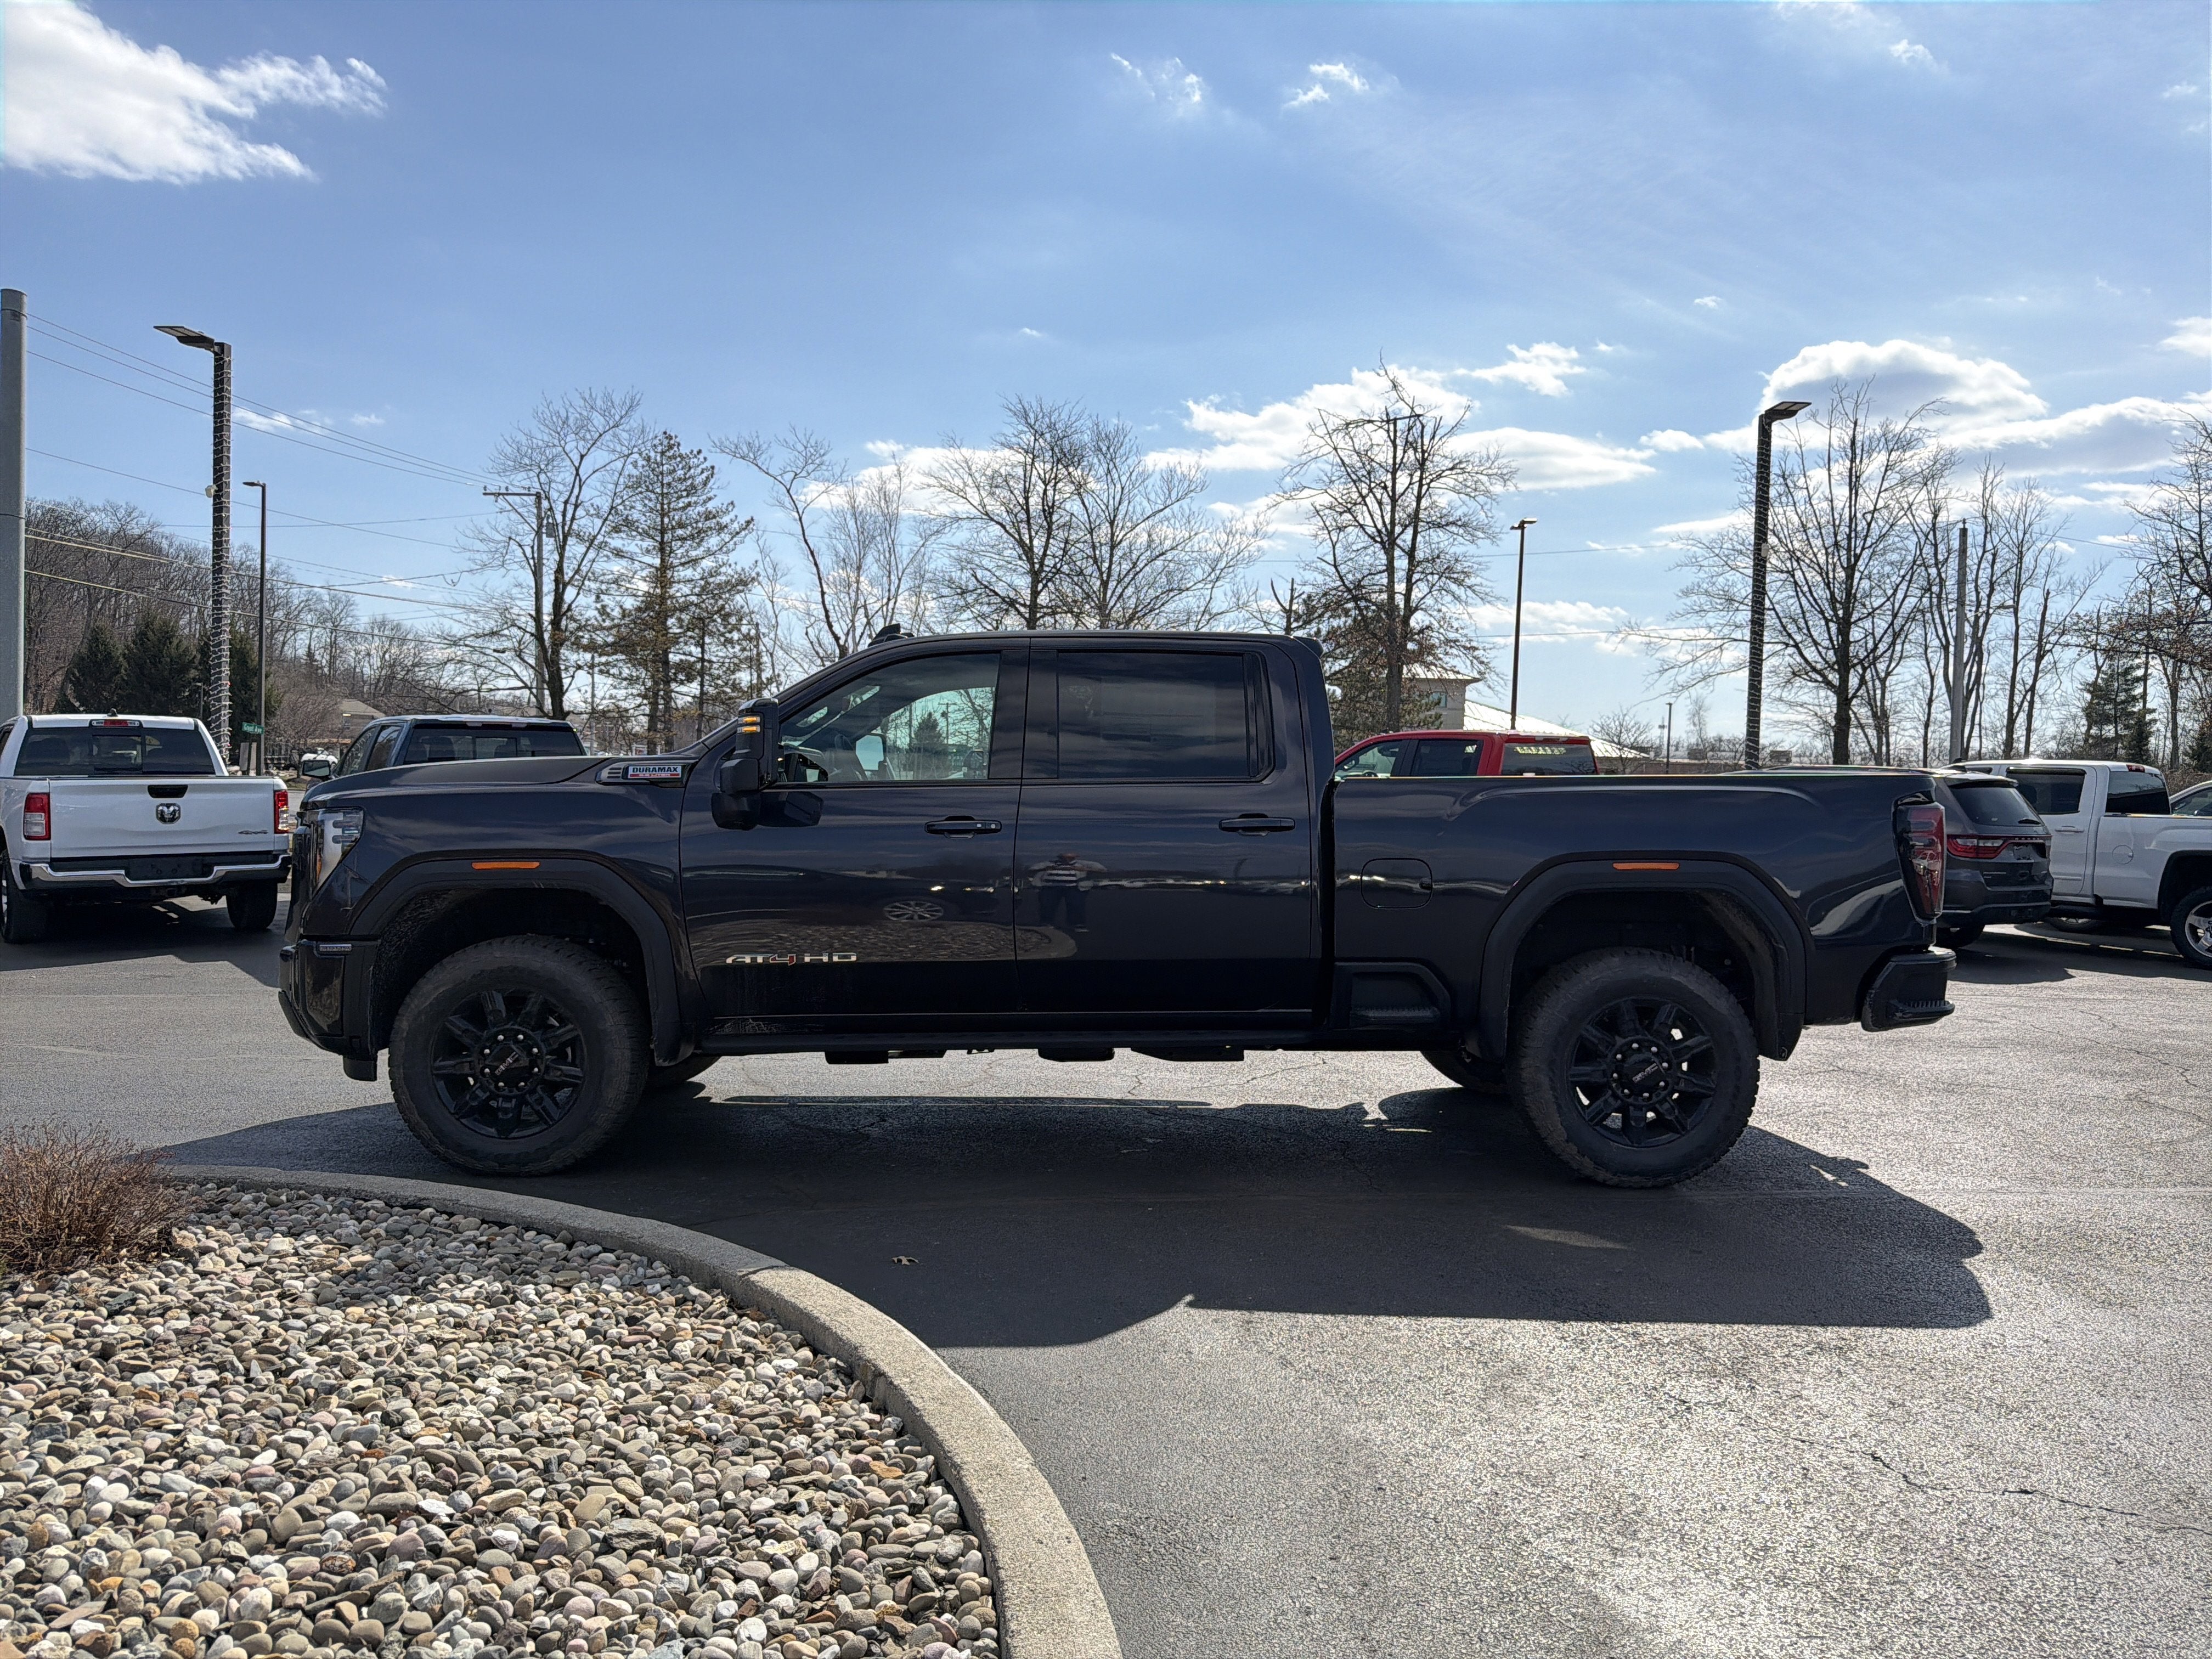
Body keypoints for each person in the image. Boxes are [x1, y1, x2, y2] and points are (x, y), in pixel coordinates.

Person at [1029, 850, 1104, 933]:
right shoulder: (1050, 863)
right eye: (1064, 858)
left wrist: (1083, 869)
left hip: (1074, 888)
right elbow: (1032, 868)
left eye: (1070, 858)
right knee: (1047, 905)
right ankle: (1046, 923)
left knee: (1076, 905)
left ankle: (1078, 924)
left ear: (1075, 858)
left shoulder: (1083, 864)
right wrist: (1047, 869)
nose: (1067, 860)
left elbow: (1102, 870)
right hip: (1050, 887)